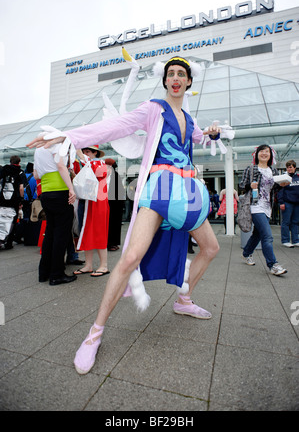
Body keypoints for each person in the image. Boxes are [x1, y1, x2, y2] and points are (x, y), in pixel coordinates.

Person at [27, 56, 221, 375]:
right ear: (165, 80)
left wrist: (212, 133)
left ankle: (183, 300)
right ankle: (95, 333)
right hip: (160, 188)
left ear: (189, 82)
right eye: (170, 73)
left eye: (180, 74)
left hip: (187, 193)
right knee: (130, 259)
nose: (175, 78)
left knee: (211, 248)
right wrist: (70, 136)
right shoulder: (153, 109)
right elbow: (115, 126)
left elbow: (199, 138)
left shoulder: (189, 117)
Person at [240, 144, 289, 276]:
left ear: (270, 155)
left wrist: (282, 185)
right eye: (261, 151)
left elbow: (275, 189)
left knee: (257, 234)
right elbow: (242, 185)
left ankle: (246, 253)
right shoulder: (251, 169)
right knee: (267, 236)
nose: (264, 153)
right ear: (257, 154)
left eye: (266, 151)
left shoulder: (273, 171)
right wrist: (249, 185)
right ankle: (273, 265)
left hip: (268, 207)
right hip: (255, 206)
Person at [34, 144, 77, 285]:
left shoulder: (38, 150)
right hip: (60, 191)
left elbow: (36, 174)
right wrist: (71, 189)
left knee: (50, 233)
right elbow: (60, 166)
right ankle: (57, 274)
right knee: (61, 234)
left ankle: (44, 272)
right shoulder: (57, 146)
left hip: (46, 192)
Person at [73, 146, 110, 277]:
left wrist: (81, 156)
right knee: (86, 231)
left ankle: (103, 265)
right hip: (88, 201)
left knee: (99, 232)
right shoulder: (90, 163)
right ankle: (88, 265)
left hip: (97, 202)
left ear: (95, 152)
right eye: (84, 151)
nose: (85, 153)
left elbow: (99, 174)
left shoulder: (98, 163)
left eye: (88, 151)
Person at [0, 155, 26, 249]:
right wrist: (21, 200)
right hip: (14, 199)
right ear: (19, 162)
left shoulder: (3, 170)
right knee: (12, 221)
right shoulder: (20, 172)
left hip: (2, 199)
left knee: (1, 219)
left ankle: (1, 239)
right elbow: (21, 188)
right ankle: (8, 242)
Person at [105, 158, 126, 251]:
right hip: (114, 204)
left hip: (114, 204)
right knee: (113, 224)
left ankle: (111, 244)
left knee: (113, 224)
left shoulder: (114, 176)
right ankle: (111, 243)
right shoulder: (113, 175)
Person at [277, 160, 299, 248]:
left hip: (297, 204)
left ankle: (295, 240)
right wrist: (281, 202)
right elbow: (280, 191)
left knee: (295, 222)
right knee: (286, 222)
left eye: (290, 167)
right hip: (287, 203)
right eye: (287, 167)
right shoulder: (284, 178)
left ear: (294, 168)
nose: (289, 169)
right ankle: (285, 240)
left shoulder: (298, 177)